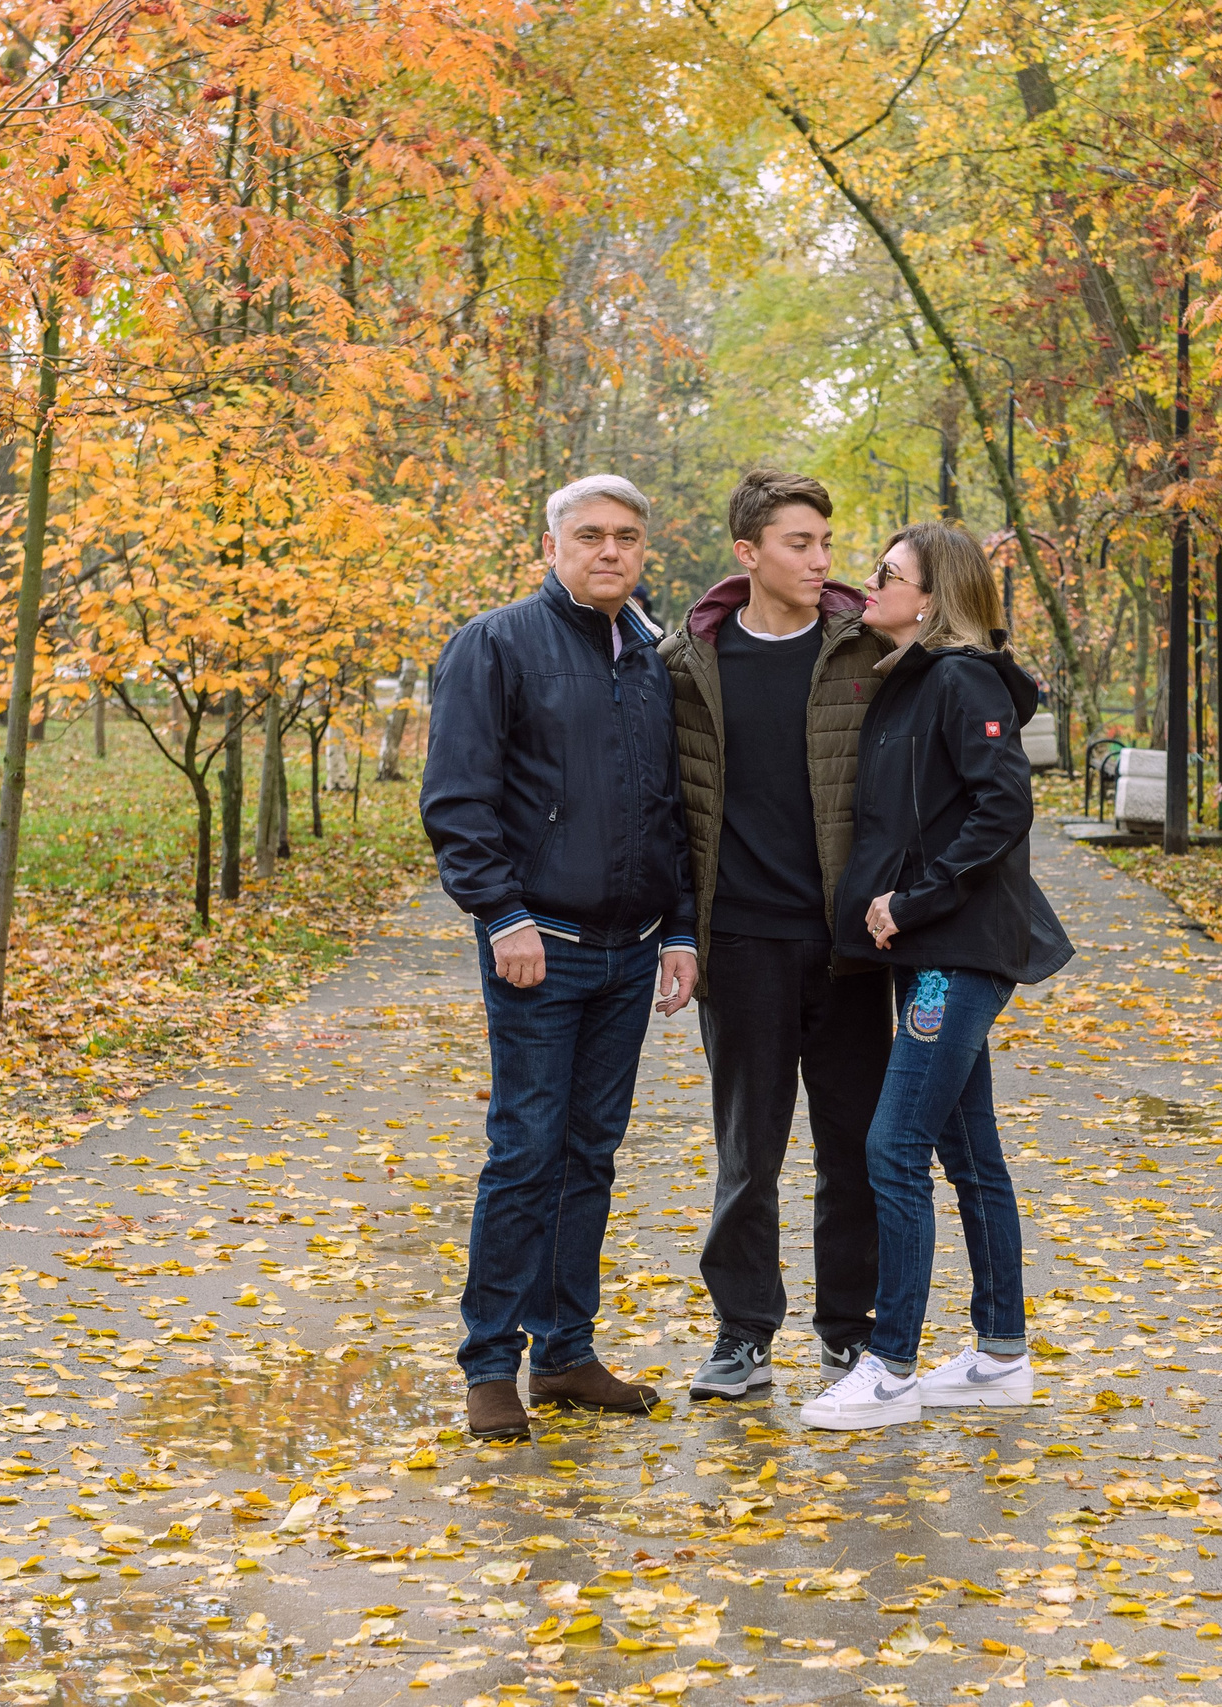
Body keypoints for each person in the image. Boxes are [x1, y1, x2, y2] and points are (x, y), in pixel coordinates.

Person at [421, 473, 700, 1443]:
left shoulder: (650, 656)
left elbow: (671, 805)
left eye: (626, 535)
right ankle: (489, 1365)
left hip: (631, 953)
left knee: (590, 1156)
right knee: (526, 1152)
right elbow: (457, 799)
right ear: (552, 546)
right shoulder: (496, 645)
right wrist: (501, 915)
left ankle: (566, 1354)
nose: (609, 551)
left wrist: (680, 928)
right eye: (589, 535)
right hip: (540, 947)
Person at [800, 520, 1065, 1430]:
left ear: (932, 598)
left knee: (893, 1146)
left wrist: (914, 900)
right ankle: (1000, 1354)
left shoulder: (960, 679)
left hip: (954, 952)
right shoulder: (910, 680)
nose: (870, 584)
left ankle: (890, 1368)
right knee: (970, 1150)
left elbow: (1003, 805)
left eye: (888, 574)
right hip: (928, 954)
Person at [660, 470, 892, 1402]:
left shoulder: (868, 648)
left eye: (826, 542)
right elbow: (667, 807)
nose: (820, 559)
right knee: (748, 1153)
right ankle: (743, 1334)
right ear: (748, 553)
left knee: (855, 1150)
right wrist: (679, 931)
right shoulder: (688, 662)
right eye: (801, 543)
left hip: (849, 949)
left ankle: (849, 1335)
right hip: (743, 943)